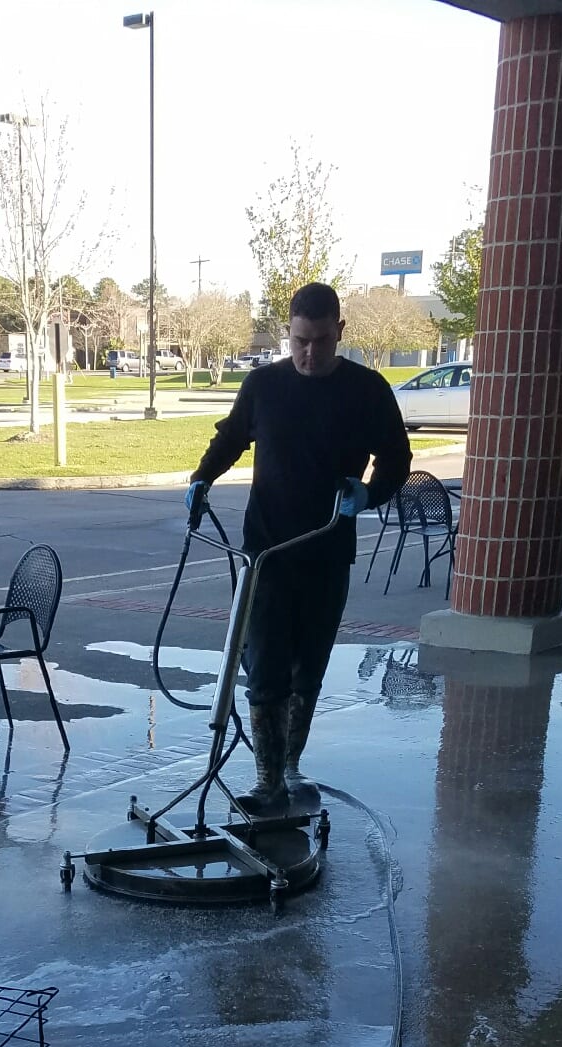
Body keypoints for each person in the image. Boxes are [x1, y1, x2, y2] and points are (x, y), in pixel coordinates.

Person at [185, 282, 411, 810]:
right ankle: (267, 782)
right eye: (300, 341)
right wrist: (203, 477)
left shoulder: (368, 391)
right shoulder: (264, 385)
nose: (309, 353)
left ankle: (289, 766)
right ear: (287, 331)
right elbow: (231, 438)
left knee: (307, 669)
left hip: (327, 552)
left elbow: (396, 459)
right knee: (263, 665)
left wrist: (370, 493)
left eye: (322, 342)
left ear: (341, 333)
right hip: (265, 554)